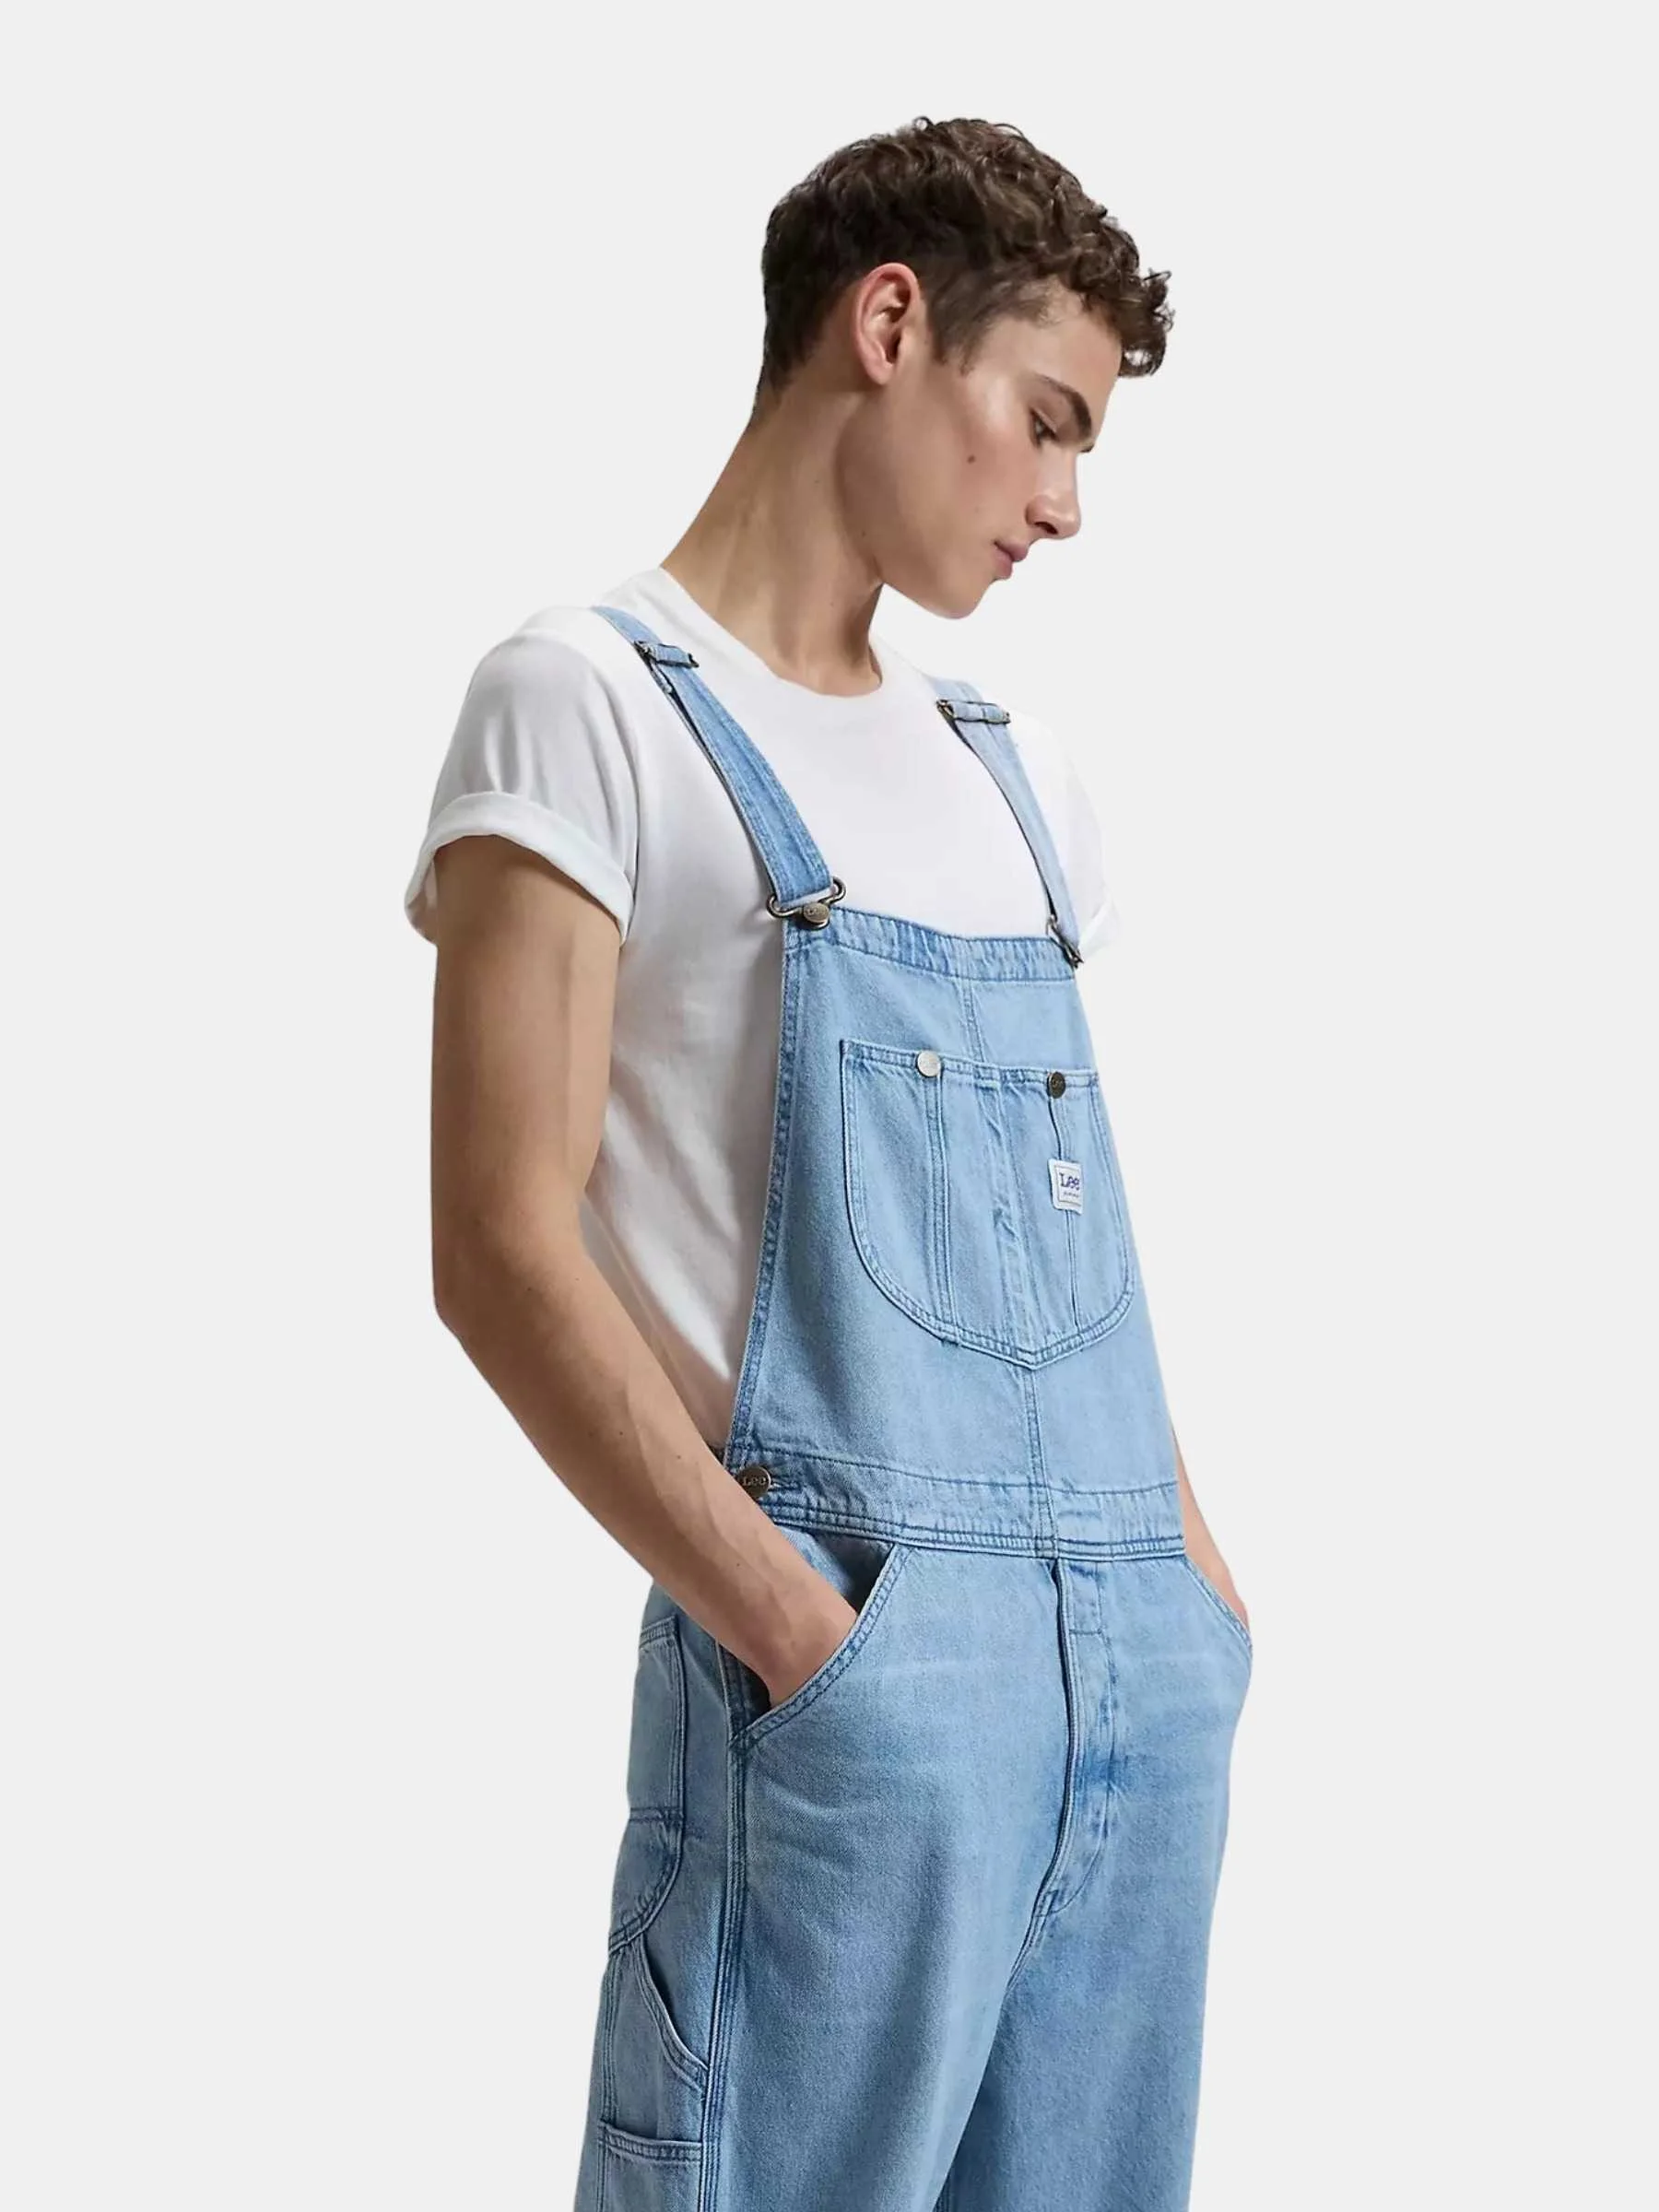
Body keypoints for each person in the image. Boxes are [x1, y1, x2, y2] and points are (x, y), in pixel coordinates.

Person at [403, 112, 1252, 2212]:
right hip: (856, 1703)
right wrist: (804, 1639)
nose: (1064, 503)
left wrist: (1191, 1602)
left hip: (1134, 1704)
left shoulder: (1010, 774)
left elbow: (1080, 1257)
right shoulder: (588, 706)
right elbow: (501, 1245)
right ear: (889, 325)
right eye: (1045, 421)